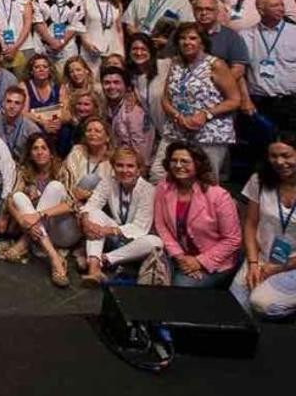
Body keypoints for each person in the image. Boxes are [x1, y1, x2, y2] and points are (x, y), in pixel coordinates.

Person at [157, 23, 240, 182]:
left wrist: (205, 114)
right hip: (177, 129)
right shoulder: (176, 63)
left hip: (209, 133)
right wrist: (177, 116)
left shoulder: (216, 64)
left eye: (192, 38)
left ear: (202, 42)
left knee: (205, 181)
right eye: (182, 38)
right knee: (159, 175)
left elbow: (235, 100)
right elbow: (165, 98)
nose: (187, 42)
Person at [153, 142, 242, 288]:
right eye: (174, 161)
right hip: (177, 255)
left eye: (184, 161)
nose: (178, 165)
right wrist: (180, 256)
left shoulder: (219, 196)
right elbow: (161, 225)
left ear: (198, 164)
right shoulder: (163, 187)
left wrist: (199, 262)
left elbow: (232, 239)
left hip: (215, 260)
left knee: (181, 286)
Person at [0, 133, 79, 287]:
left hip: (63, 230)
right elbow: (10, 199)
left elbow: (71, 205)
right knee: (18, 196)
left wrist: (39, 214)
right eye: (35, 148)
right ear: (30, 153)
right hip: (38, 231)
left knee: (55, 187)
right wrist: (21, 220)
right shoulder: (24, 171)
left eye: (44, 148)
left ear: (51, 152)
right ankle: (55, 258)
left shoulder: (62, 170)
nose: (40, 152)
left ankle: (24, 242)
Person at [231, 133, 296, 318]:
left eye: (286, 155)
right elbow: (251, 224)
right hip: (262, 257)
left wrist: (279, 268)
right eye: (273, 156)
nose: (279, 162)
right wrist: (252, 263)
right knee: (236, 306)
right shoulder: (259, 180)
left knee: (261, 304)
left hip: (293, 263)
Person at [77, 146, 161, 286]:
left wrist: (105, 230)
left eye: (130, 166)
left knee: (155, 242)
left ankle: (105, 259)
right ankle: (94, 269)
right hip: (113, 235)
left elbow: (140, 227)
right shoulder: (108, 181)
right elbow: (91, 205)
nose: (124, 170)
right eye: (120, 165)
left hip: (134, 240)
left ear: (138, 169)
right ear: (113, 167)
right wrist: (86, 222)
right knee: (93, 213)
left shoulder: (148, 190)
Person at [241, 0, 296, 135]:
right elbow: (239, 73)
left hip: (291, 102)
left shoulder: (294, 32)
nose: (281, 9)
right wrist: (246, 100)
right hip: (259, 103)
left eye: (282, 5)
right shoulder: (245, 35)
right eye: (275, 5)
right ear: (261, 10)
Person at [122, 0, 192, 52]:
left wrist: (169, 42)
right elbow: (128, 24)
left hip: (166, 48)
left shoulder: (182, 2)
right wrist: (141, 38)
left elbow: (187, 28)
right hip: (139, 46)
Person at [81, 0, 124, 73]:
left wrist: (122, 52)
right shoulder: (87, 2)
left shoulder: (117, 4)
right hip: (91, 48)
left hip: (112, 49)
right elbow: (80, 26)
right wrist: (86, 44)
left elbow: (119, 30)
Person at [0, 86, 42, 161]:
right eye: (9, 101)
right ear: (3, 103)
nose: (12, 106)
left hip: (23, 165)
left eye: (17, 103)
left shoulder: (32, 130)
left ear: (23, 106)